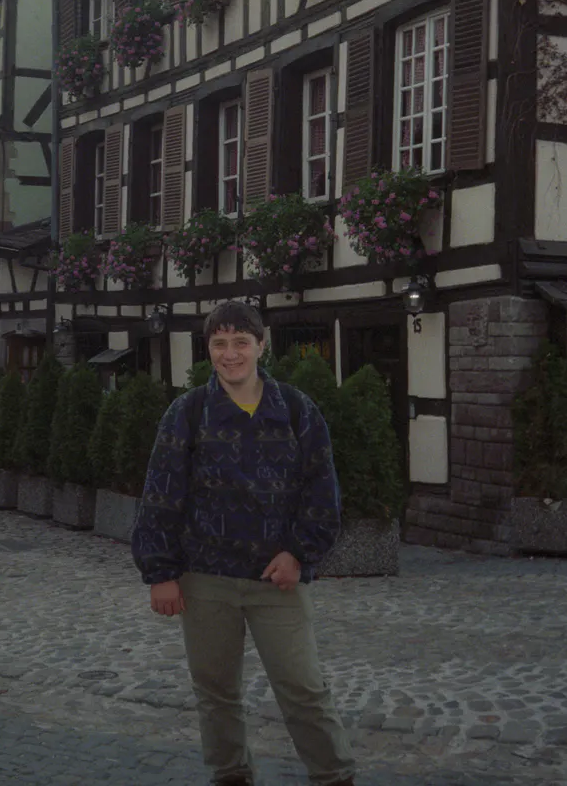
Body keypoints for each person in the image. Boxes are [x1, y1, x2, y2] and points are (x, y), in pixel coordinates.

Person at [131, 300, 355, 786]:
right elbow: (161, 495)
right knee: (216, 692)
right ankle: (230, 775)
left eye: (240, 342)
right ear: (208, 349)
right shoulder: (186, 413)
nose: (230, 354)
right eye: (219, 344)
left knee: (303, 688)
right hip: (205, 579)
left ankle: (334, 776)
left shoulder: (297, 410)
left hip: (277, 581)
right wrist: (161, 574)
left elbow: (323, 490)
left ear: (260, 345)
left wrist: (299, 553)